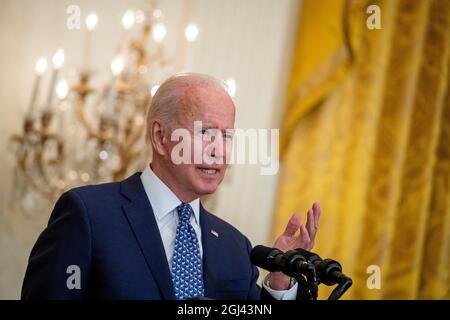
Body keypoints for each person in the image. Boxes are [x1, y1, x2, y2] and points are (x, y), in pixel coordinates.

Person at [21, 73, 321, 300]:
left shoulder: (235, 246)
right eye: (205, 133)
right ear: (160, 137)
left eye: (227, 136)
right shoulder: (88, 215)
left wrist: (280, 279)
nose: (219, 150)